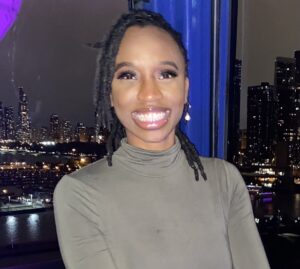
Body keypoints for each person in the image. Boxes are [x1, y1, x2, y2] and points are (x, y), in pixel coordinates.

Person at [54, 9, 270, 269]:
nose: (149, 94)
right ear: (110, 94)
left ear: (185, 89)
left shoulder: (225, 180)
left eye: (166, 74)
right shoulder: (79, 193)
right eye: (128, 75)